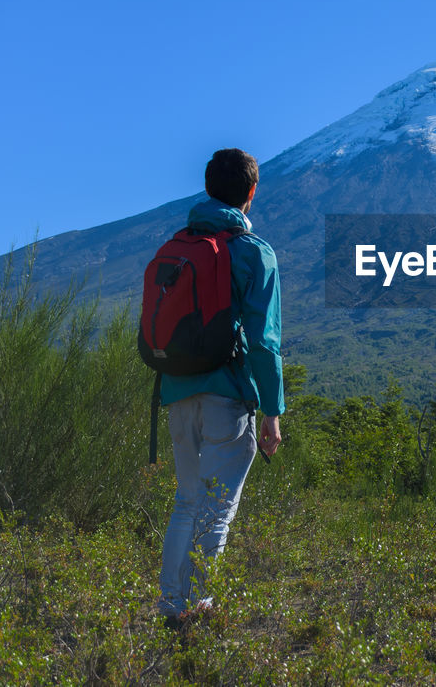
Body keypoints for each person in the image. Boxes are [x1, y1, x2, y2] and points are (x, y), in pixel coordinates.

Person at [157, 147, 284, 629]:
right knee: (217, 510)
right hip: (227, 397)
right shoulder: (253, 252)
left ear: (209, 188)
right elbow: (264, 343)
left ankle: (172, 609)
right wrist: (272, 412)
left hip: (177, 390)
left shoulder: (178, 244)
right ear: (252, 193)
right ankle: (199, 611)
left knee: (188, 501)